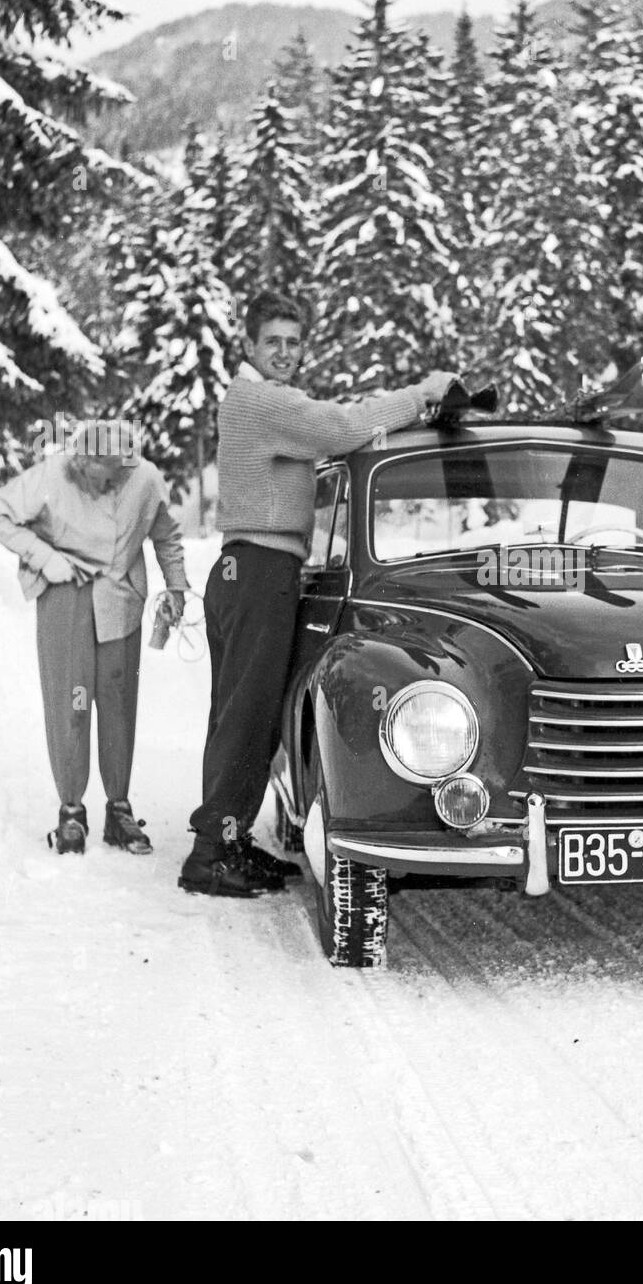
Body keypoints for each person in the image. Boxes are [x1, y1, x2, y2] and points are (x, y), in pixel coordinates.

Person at [180, 291, 458, 897]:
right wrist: (422, 396)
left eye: (293, 342)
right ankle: (210, 856)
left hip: (250, 569)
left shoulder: (259, 403)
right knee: (248, 719)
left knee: (241, 716)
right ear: (249, 346)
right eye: (273, 341)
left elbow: (334, 434)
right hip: (257, 569)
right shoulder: (260, 400)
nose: (285, 352)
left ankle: (226, 838)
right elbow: (340, 427)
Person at [0, 419, 188, 852]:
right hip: (66, 599)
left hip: (120, 601)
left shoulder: (146, 479)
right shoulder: (52, 473)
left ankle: (119, 810)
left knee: (117, 705)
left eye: (109, 470)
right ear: (77, 459)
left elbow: (166, 536)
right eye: (89, 467)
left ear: (126, 463)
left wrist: (176, 587)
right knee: (71, 702)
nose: (98, 477)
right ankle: (71, 812)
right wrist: (44, 558)